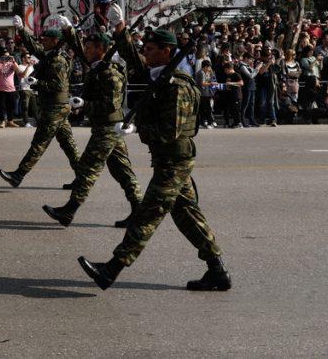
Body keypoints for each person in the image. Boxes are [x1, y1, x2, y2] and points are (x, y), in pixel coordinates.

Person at [78, 24, 230, 292]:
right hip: (168, 161)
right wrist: (122, 33)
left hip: (174, 163)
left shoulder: (177, 86)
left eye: (150, 49)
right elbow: (136, 63)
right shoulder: (161, 78)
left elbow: (168, 132)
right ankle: (217, 271)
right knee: (188, 218)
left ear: (167, 51)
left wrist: (138, 130)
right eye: (144, 49)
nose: (145, 54)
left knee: (146, 216)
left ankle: (111, 269)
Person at [44, 30, 142, 228]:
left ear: (101, 49)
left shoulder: (110, 72)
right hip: (105, 126)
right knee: (122, 171)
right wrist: (69, 32)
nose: (86, 51)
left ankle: (69, 210)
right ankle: (140, 211)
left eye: (90, 48)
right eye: (86, 47)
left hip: (108, 127)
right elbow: (79, 51)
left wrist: (84, 105)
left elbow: (111, 105)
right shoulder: (98, 68)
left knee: (87, 170)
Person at [0, 15, 79, 187]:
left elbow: (58, 84)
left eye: (47, 39)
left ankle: (18, 175)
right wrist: (21, 30)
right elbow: (33, 46)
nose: (43, 42)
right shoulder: (50, 55)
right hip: (57, 106)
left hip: (56, 106)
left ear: (55, 40)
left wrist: (37, 83)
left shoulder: (57, 59)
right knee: (69, 146)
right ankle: (83, 178)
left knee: (39, 143)